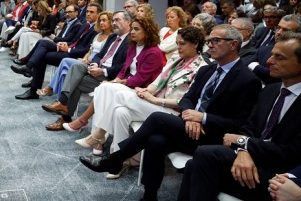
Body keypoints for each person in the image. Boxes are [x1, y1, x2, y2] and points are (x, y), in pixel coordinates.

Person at [79, 24, 262, 201]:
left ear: (233, 44)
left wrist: (202, 118)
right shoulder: (208, 70)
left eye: (216, 40)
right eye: (209, 40)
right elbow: (187, 99)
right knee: (155, 140)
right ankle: (149, 195)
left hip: (213, 137)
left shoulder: (247, 79)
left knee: (157, 118)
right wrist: (190, 114)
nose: (210, 44)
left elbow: (240, 124)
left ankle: (115, 159)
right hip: (189, 128)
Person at [178, 33, 301, 201]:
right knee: (195, 165)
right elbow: (247, 129)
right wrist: (243, 151)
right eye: (273, 54)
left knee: (205, 156)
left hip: (282, 176)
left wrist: (244, 143)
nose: (269, 61)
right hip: (253, 160)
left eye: (279, 58)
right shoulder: (269, 90)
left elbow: (292, 152)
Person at [69, 27, 206, 163]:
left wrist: (154, 99)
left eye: (182, 43)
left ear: (195, 44)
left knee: (118, 94)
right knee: (119, 111)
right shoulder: (176, 59)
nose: (178, 47)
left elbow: (187, 101)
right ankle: (119, 159)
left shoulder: (201, 67)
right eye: (177, 43)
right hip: (155, 102)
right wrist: (146, 91)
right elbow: (156, 83)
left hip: (172, 113)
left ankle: (99, 134)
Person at [41, 11, 131, 128]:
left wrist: (103, 71)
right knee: (76, 66)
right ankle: (63, 104)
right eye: (113, 20)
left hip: (111, 76)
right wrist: (95, 64)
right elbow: (100, 54)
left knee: (77, 81)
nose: (114, 23)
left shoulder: (130, 40)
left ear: (128, 21)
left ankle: (64, 114)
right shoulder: (113, 36)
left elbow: (124, 66)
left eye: (117, 20)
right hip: (98, 68)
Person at [13, 3, 101, 100]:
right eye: (87, 11)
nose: (88, 14)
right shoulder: (85, 25)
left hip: (76, 57)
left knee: (42, 49)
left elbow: (86, 49)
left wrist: (68, 49)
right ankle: (31, 78)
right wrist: (64, 44)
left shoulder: (96, 30)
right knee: (42, 45)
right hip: (68, 49)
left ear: (99, 14)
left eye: (91, 12)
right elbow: (74, 40)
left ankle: (29, 69)